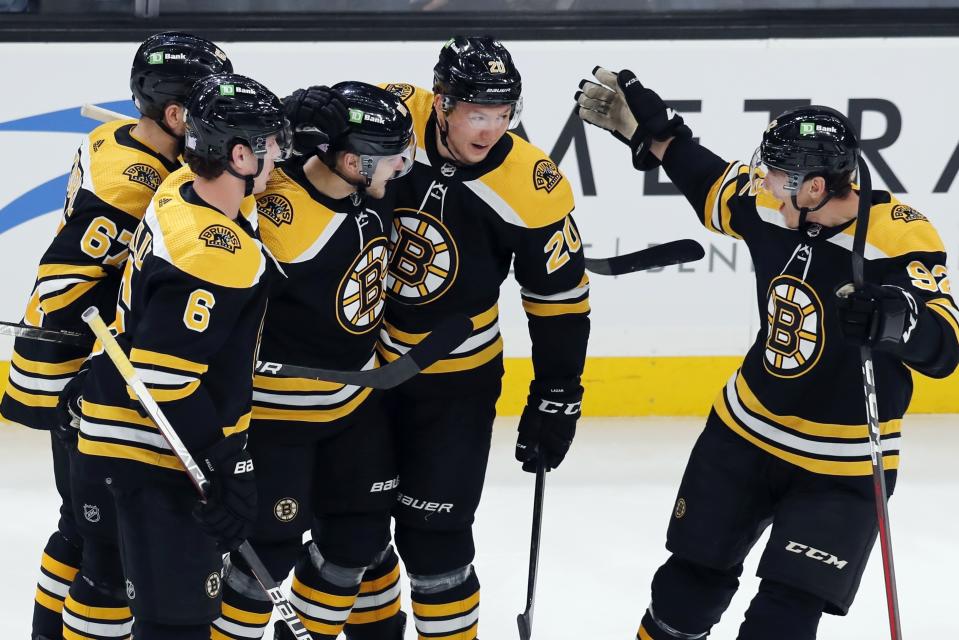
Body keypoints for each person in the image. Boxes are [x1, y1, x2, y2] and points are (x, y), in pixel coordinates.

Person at [575, 68, 959, 639]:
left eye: (777, 179)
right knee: (685, 595)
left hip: (842, 464)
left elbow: (945, 346)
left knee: (781, 623)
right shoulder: (769, 208)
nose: (765, 186)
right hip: (743, 436)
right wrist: (660, 139)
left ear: (813, 188)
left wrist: (894, 321)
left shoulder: (900, 238)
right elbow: (709, 181)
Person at [0, 31, 231, 640]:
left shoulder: (116, 137)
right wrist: (76, 377)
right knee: (101, 546)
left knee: (80, 530)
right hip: (84, 376)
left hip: (80, 372)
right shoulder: (137, 184)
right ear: (178, 114)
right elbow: (64, 284)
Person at [362, 36, 591, 639]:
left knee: (436, 543)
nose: (491, 130)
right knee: (355, 532)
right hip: (361, 371)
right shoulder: (390, 116)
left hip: (455, 383)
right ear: (441, 104)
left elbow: (560, 303)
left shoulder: (532, 185)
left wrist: (558, 391)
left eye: (503, 113)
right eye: (476, 113)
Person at [72, 72, 290, 640]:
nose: (279, 161)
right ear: (239, 155)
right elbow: (164, 381)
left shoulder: (178, 190)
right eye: (269, 147)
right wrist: (227, 463)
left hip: (120, 435)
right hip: (154, 455)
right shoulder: (216, 255)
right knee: (178, 625)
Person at [211, 82, 416, 640]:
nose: (404, 165)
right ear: (352, 161)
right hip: (279, 424)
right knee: (263, 562)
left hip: (355, 409)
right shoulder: (272, 220)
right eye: (394, 154)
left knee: (358, 543)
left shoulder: (369, 190)